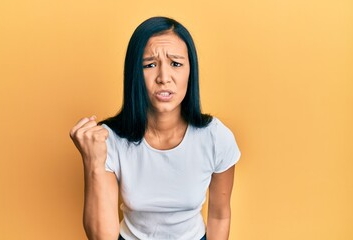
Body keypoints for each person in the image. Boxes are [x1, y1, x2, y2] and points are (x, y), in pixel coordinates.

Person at [70, 16, 241, 240]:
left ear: (191, 70)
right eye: (149, 65)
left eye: (176, 64)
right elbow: (102, 238)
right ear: (135, 74)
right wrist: (93, 162)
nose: (163, 78)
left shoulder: (216, 137)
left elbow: (219, 216)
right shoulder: (108, 140)